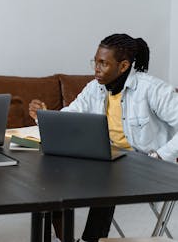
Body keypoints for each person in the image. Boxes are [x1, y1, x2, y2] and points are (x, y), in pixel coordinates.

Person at [29, 33, 178, 242]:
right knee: (56, 170)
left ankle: (91, 239)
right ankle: (62, 233)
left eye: (103, 63)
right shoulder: (95, 88)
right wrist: (43, 117)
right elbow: (71, 115)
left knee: (107, 179)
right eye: (95, 62)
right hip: (114, 159)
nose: (96, 69)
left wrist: (160, 157)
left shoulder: (153, 89)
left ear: (123, 66)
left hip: (152, 165)